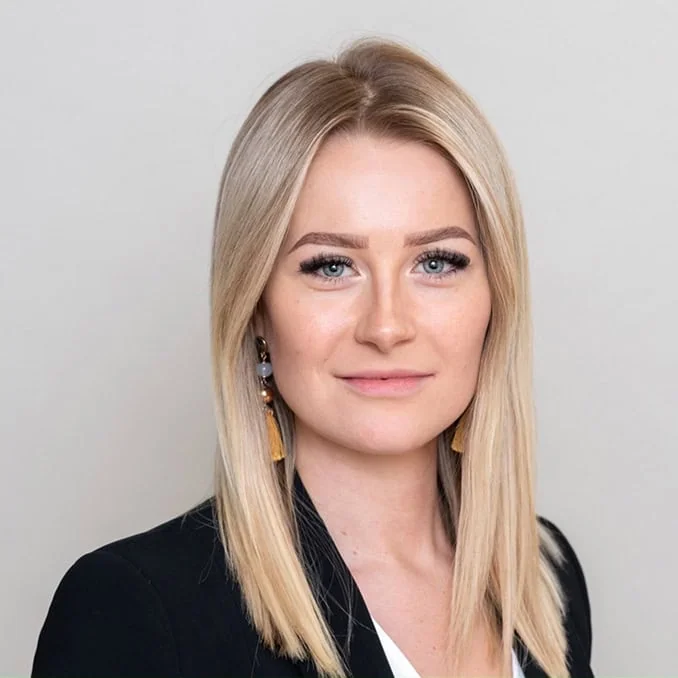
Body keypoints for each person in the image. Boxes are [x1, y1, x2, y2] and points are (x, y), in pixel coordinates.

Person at [31, 37, 594, 678]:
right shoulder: (134, 609)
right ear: (256, 307)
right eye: (331, 266)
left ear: (496, 297)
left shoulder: (545, 578)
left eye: (437, 262)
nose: (387, 326)